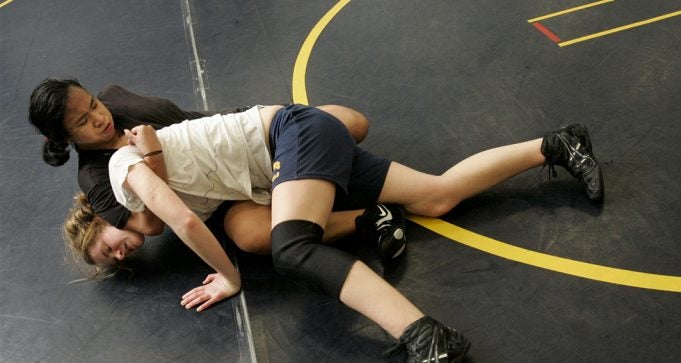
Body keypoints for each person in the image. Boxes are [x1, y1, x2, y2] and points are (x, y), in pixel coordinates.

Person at [59, 95, 603, 363]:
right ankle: (557, 144)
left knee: (292, 250)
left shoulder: (119, 171)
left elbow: (175, 220)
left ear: (101, 216)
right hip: (294, 143)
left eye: (109, 246)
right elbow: (171, 216)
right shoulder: (140, 168)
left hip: (292, 136)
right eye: (116, 260)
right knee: (437, 197)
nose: (124, 250)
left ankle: (427, 338)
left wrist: (228, 279)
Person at [28, 78, 406, 264]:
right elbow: (153, 225)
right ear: (64, 136)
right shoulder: (95, 177)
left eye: (93, 104)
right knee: (253, 236)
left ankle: (306, 181)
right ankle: (366, 218)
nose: (99, 118)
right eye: (83, 121)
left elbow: (187, 123)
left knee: (353, 125)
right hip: (221, 195)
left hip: (234, 137)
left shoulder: (116, 99)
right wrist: (154, 156)